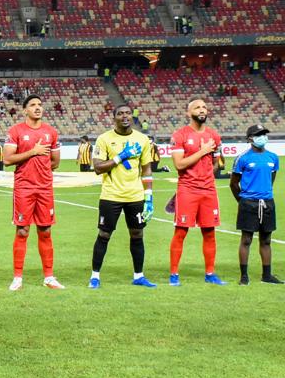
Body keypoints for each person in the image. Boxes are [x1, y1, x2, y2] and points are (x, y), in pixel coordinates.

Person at [88, 105, 157, 289]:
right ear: (114, 118)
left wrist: (148, 197)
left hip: (135, 196)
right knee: (104, 234)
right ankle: (95, 276)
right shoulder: (104, 139)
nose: (124, 116)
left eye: (127, 113)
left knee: (137, 234)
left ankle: (139, 276)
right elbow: (97, 168)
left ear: (132, 117)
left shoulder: (142, 140)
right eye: (120, 113)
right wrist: (121, 157)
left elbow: (146, 169)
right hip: (111, 195)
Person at [4, 95, 64, 291]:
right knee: (22, 231)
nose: (37, 108)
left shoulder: (51, 132)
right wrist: (33, 152)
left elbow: (55, 161)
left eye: (39, 104)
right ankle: (17, 278)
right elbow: (7, 159)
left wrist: (42, 169)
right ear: (25, 110)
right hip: (24, 188)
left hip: (45, 188)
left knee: (45, 231)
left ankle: (49, 277)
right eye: (32, 105)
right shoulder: (16, 131)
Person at [168, 98, 225, 286]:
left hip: (209, 190)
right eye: (197, 107)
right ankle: (174, 275)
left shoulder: (214, 136)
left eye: (204, 107)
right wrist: (202, 152)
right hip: (187, 189)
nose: (202, 110)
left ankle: (210, 273)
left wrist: (210, 170)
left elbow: (217, 162)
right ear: (188, 112)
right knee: (181, 232)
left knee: (209, 232)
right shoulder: (180, 135)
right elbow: (179, 164)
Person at [230, 124, 282, 285]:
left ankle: (267, 276)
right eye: (259, 134)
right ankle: (244, 277)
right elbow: (233, 183)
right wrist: (243, 201)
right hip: (248, 204)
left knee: (266, 240)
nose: (263, 137)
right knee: (246, 240)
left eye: (265, 133)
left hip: (268, 203)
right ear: (250, 138)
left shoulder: (273, 157)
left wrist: (264, 194)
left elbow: (271, 179)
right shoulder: (242, 158)